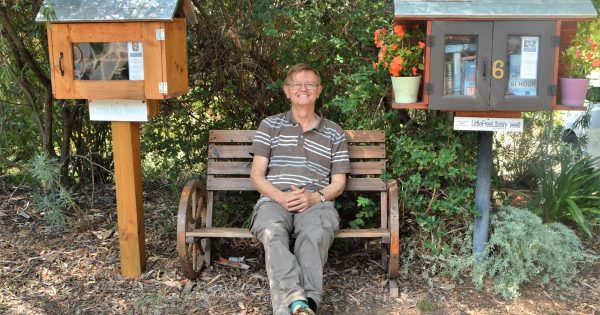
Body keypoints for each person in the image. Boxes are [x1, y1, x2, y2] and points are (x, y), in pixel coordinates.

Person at [249, 64, 351, 315]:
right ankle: (300, 303)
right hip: (274, 200)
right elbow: (257, 175)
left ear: (319, 91)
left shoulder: (334, 132)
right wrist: (281, 197)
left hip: (316, 202)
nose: (303, 89)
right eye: (296, 84)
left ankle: (298, 306)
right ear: (286, 91)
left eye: (309, 84)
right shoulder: (269, 126)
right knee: (273, 235)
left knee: (314, 234)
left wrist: (315, 197)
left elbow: (339, 183)